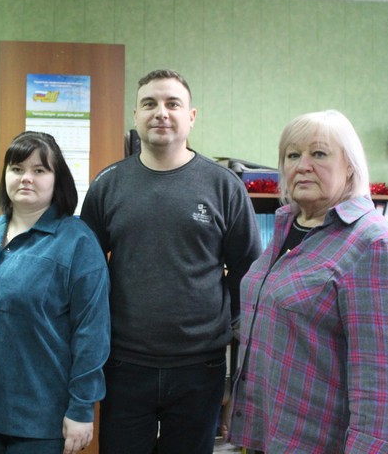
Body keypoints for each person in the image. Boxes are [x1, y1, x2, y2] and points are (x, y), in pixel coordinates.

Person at [80, 69, 262, 454]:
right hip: (125, 364)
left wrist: (228, 330)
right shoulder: (107, 184)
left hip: (200, 367)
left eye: (172, 103)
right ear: (135, 116)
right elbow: (87, 274)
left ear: (191, 116)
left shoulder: (224, 186)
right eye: (149, 103)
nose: (161, 112)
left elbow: (248, 272)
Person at [225, 110, 388, 453]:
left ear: (350, 166)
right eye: (292, 155)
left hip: (317, 442)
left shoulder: (373, 244)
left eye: (319, 153)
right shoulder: (287, 225)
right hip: (267, 433)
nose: (303, 166)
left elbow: (382, 379)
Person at [0, 131, 110, 454]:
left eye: (39, 170)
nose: (26, 178)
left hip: (42, 420)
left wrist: (82, 407)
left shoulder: (78, 242)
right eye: (17, 169)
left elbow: (92, 333)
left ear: (58, 180)